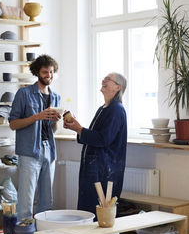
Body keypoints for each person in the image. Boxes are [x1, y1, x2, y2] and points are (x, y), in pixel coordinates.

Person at [63, 72, 127, 216]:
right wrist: (77, 129)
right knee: (87, 210)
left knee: (96, 213)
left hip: (104, 170)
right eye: (104, 78)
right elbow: (95, 136)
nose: (103, 80)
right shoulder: (104, 108)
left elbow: (104, 139)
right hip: (94, 168)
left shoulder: (116, 109)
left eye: (108, 79)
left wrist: (79, 129)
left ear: (117, 87)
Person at [9, 54, 61, 221]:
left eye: (51, 72)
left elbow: (53, 130)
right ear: (37, 73)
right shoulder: (24, 94)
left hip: (49, 150)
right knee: (26, 200)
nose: (49, 76)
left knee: (46, 200)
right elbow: (13, 124)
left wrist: (55, 121)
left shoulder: (55, 97)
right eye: (45, 72)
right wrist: (37, 117)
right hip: (30, 151)